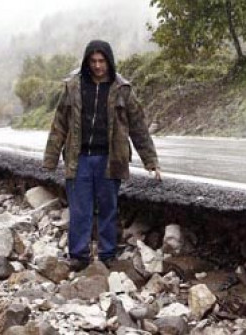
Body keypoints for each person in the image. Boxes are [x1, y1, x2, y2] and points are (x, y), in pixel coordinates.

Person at [43, 40, 162, 271]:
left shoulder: (122, 89)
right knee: (80, 209)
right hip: (79, 158)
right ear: (87, 62)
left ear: (109, 62)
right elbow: (59, 123)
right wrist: (51, 157)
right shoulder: (73, 87)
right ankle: (79, 255)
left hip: (111, 158)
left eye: (102, 61)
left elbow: (138, 127)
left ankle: (108, 254)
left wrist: (151, 161)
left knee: (108, 208)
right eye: (93, 61)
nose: (98, 66)